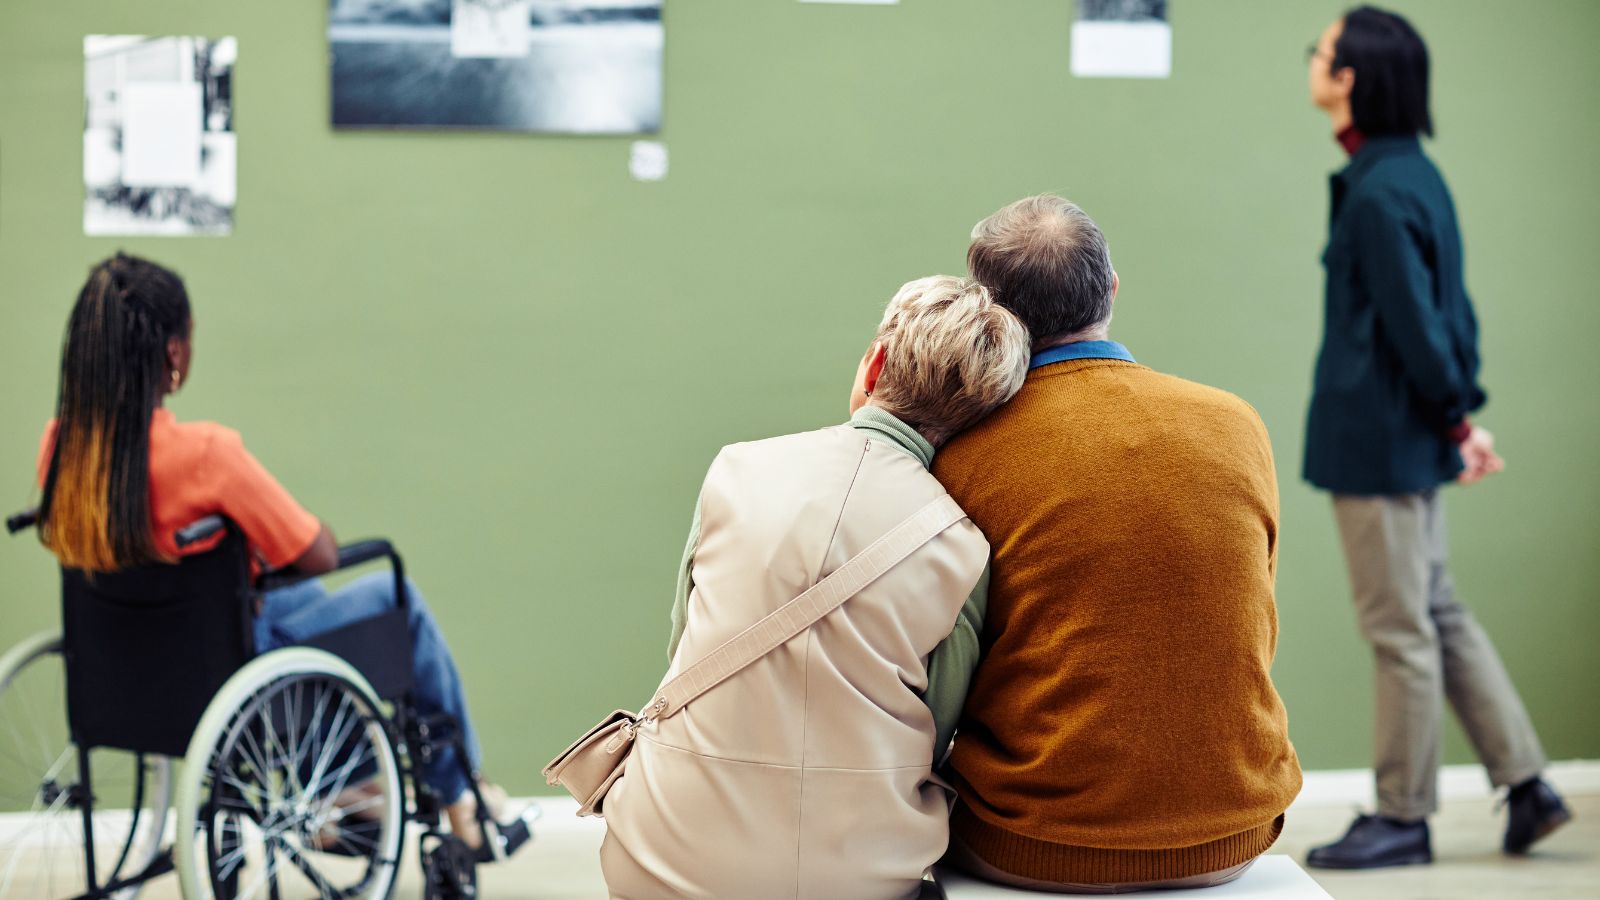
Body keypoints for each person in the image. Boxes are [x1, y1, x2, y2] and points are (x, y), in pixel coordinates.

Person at [33, 252, 506, 848]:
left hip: (122, 673)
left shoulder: (60, 451)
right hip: (225, 672)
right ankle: (462, 790)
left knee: (296, 597)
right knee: (392, 592)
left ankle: (354, 783)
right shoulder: (205, 453)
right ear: (174, 355)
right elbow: (319, 552)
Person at [598, 275, 1031, 899]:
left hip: (666, 856)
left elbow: (683, 645)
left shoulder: (738, 469)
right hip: (863, 874)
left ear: (876, 362)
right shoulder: (961, 547)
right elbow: (936, 731)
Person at [931, 194, 1303, 893]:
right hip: (1233, 837)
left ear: (989, 311)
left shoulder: (964, 452)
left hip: (1028, 843)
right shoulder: (1236, 424)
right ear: (1111, 289)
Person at [1302, 6, 1569, 869]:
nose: (1312, 64)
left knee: (1400, 629)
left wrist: (1457, 417)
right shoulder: (1415, 175)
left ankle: (1403, 816)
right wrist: (1457, 419)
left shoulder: (1378, 191)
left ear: (1352, 80)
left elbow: (1420, 326)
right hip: (1409, 433)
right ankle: (1528, 786)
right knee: (1438, 612)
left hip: (1380, 443)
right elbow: (1453, 316)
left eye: (1323, 54)